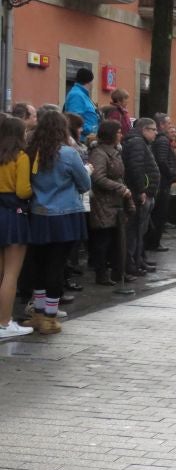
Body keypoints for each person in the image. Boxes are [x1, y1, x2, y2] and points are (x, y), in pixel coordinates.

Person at [22, 110, 91, 335]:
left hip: (38, 214)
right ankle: (50, 317)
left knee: (38, 264)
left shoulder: (31, 152)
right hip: (66, 216)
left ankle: (38, 313)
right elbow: (84, 184)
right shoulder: (69, 154)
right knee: (56, 266)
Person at [88, 121, 133, 286]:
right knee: (103, 240)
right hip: (103, 202)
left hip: (115, 202)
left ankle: (118, 271)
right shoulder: (99, 153)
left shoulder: (115, 152)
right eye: (119, 132)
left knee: (116, 239)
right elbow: (98, 177)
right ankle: (101, 274)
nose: (121, 135)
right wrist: (119, 187)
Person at [0, 117, 32, 338]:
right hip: (14, 214)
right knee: (11, 275)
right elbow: (22, 191)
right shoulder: (21, 157)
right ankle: (4, 323)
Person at [122, 118, 160, 277]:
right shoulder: (137, 143)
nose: (156, 133)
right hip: (141, 195)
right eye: (153, 129)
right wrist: (141, 190)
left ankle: (138, 260)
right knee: (134, 231)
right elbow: (135, 168)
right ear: (144, 129)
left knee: (139, 231)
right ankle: (131, 263)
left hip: (146, 194)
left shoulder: (140, 142)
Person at [145, 113, 176, 252]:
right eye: (169, 124)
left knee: (158, 214)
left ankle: (153, 242)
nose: (171, 126)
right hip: (163, 184)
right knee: (159, 215)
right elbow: (162, 160)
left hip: (163, 182)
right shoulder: (163, 141)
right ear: (162, 125)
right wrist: (171, 174)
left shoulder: (160, 140)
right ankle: (154, 243)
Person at [62, 68, 99, 141]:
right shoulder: (77, 95)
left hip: (88, 138)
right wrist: (92, 129)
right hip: (81, 140)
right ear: (90, 81)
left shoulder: (82, 95)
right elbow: (74, 120)